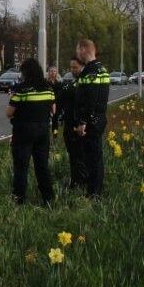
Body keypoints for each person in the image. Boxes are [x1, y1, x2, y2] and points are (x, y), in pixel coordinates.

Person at [6, 58, 56, 205]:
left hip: (23, 132)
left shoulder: (21, 88)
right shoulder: (48, 88)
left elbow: (9, 113)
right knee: (42, 166)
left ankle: (19, 199)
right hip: (42, 131)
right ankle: (48, 198)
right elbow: (53, 110)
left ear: (25, 72)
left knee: (21, 166)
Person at [73, 39, 111, 198]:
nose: (77, 54)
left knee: (92, 158)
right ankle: (96, 190)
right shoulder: (102, 69)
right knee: (97, 157)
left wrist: (82, 122)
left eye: (77, 51)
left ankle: (93, 194)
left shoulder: (89, 72)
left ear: (83, 50)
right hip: (100, 118)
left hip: (90, 121)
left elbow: (89, 100)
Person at [60, 58, 86, 189]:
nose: (72, 70)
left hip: (77, 125)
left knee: (78, 156)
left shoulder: (83, 82)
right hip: (70, 123)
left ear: (82, 66)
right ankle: (76, 180)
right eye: (71, 67)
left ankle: (79, 182)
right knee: (74, 155)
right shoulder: (74, 82)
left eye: (75, 67)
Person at [46, 66, 62, 135]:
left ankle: (55, 134)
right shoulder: (45, 83)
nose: (53, 73)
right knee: (46, 121)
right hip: (47, 104)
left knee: (55, 121)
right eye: (51, 71)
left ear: (56, 73)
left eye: (54, 71)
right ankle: (46, 135)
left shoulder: (58, 83)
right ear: (48, 72)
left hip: (56, 104)